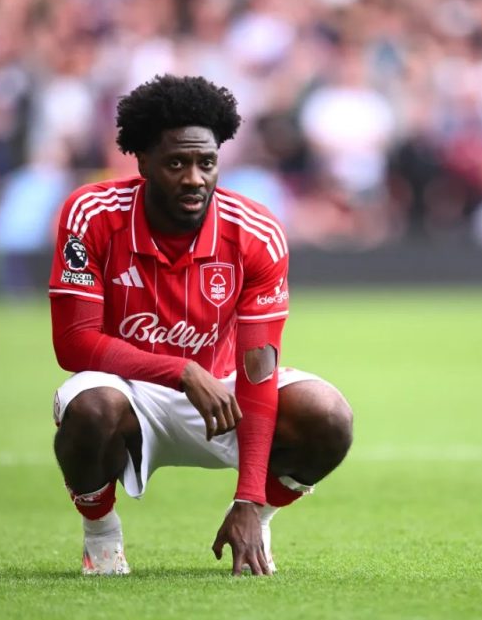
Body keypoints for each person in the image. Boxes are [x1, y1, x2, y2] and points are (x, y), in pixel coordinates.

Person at [47, 74, 353, 576]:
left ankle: (259, 521)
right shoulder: (91, 213)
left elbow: (258, 374)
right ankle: (101, 537)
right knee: (89, 409)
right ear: (142, 161)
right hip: (130, 391)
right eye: (176, 163)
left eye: (206, 162)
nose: (194, 178)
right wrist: (182, 371)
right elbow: (74, 343)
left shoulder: (255, 233)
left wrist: (252, 499)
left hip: (223, 396)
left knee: (329, 416)